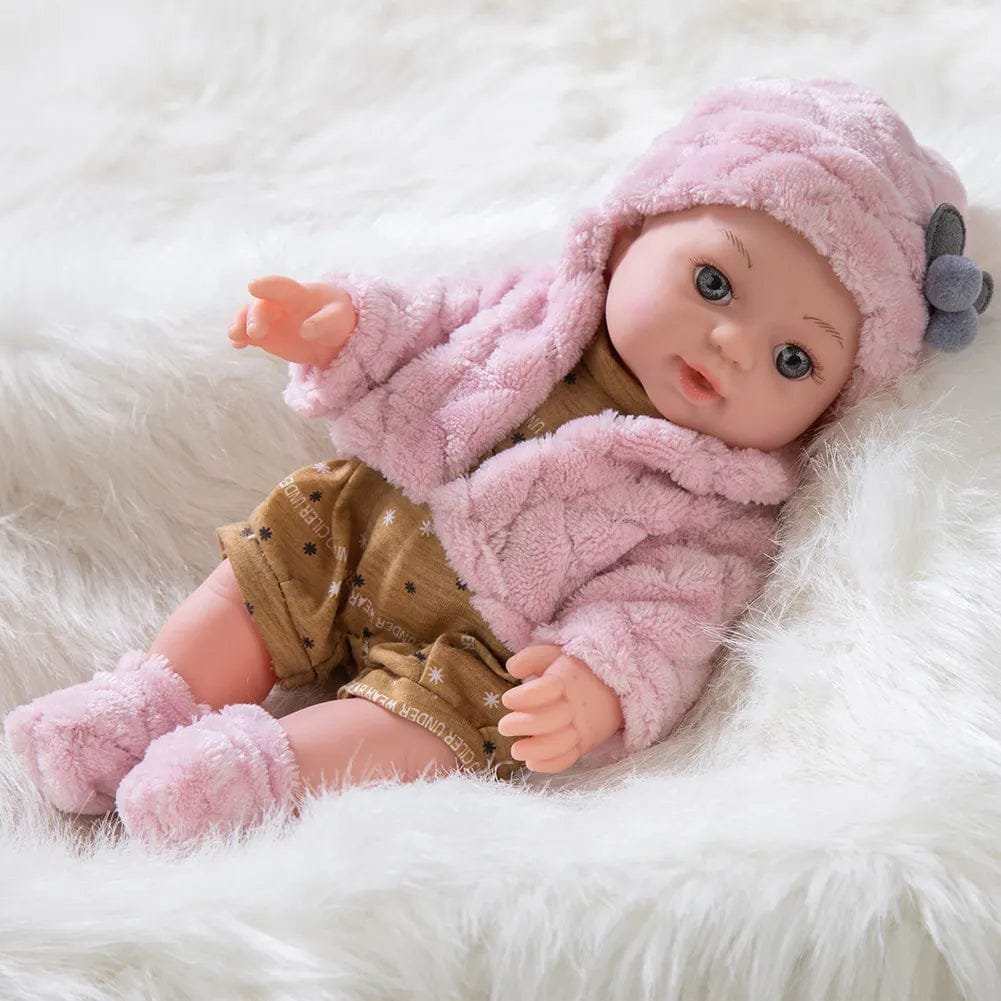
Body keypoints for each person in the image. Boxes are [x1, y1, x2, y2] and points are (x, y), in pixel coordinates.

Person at [4, 77, 991, 849]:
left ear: (825, 408)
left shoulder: (718, 507)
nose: (730, 343)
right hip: (361, 522)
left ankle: (258, 773)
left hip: (476, 656)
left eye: (792, 358)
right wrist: (335, 324)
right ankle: (152, 695)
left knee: (429, 735)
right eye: (711, 279)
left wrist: (595, 683)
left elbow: (666, 612)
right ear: (635, 226)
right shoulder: (532, 304)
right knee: (260, 573)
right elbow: (422, 322)